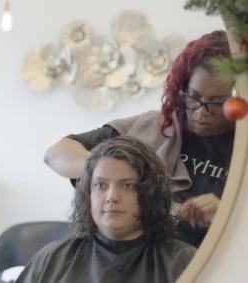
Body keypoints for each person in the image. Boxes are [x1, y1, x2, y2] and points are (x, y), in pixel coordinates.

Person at [44, 30, 235, 247]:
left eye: (218, 102)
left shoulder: (241, 155)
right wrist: (119, 174)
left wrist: (230, 217)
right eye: (193, 97)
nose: (201, 112)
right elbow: (56, 154)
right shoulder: (152, 127)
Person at [17, 137, 196, 283]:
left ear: (150, 193)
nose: (112, 197)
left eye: (127, 186)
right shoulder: (53, 259)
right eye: (101, 185)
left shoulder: (180, 261)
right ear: (88, 193)